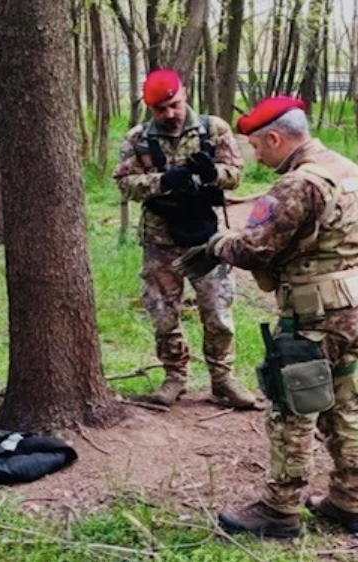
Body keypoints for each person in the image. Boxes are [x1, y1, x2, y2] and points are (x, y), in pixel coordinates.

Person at [177, 96, 358, 538]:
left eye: (257, 146)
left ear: (275, 137)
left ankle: (279, 510)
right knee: (342, 402)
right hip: (356, 305)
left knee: (292, 408)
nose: (256, 156)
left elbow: (256, 248)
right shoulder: (348, 170)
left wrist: (218, 244)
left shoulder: (298, 184)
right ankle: (350, 501)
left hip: (314, 313)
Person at [112, 68, 255, 409]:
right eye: (160, 109)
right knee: (163, 312)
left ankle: (223, 379)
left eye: (174, 105)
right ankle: (174, 376)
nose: (170, 114)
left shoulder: (213, 128)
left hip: (205, 238)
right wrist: (164, 181)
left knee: (217, 311)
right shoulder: (139, 138)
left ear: (185, 94)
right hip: (161, 238)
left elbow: (234, 175)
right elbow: (125, 183)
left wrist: (213, 174)